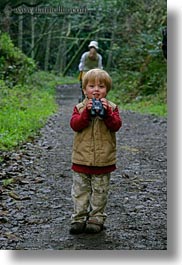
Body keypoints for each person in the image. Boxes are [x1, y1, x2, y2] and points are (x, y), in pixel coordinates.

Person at [69, 69, 122, 234]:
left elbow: (116, 126)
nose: (96, 89)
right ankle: (78, 218)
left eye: (101, 86)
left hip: (103, 160)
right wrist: (86, 113)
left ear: (107, 90)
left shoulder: (112, 108)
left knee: (100, 192)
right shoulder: (79, 107)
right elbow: (75, 125)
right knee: (80, 191)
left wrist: (107, 114)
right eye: (91, 86)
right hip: (81, 159)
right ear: (84, 90)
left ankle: (96, 218)